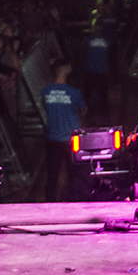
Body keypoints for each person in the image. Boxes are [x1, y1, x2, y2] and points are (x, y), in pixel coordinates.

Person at [39, 61, 85, 202]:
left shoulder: (45, 92)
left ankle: (50, 202)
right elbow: (83, 111)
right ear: (65, 70)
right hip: (72, 139)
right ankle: (73, 200)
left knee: (52, 174)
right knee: (74, 173)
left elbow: (46, 109)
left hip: (52, 138)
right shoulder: (75, 93)